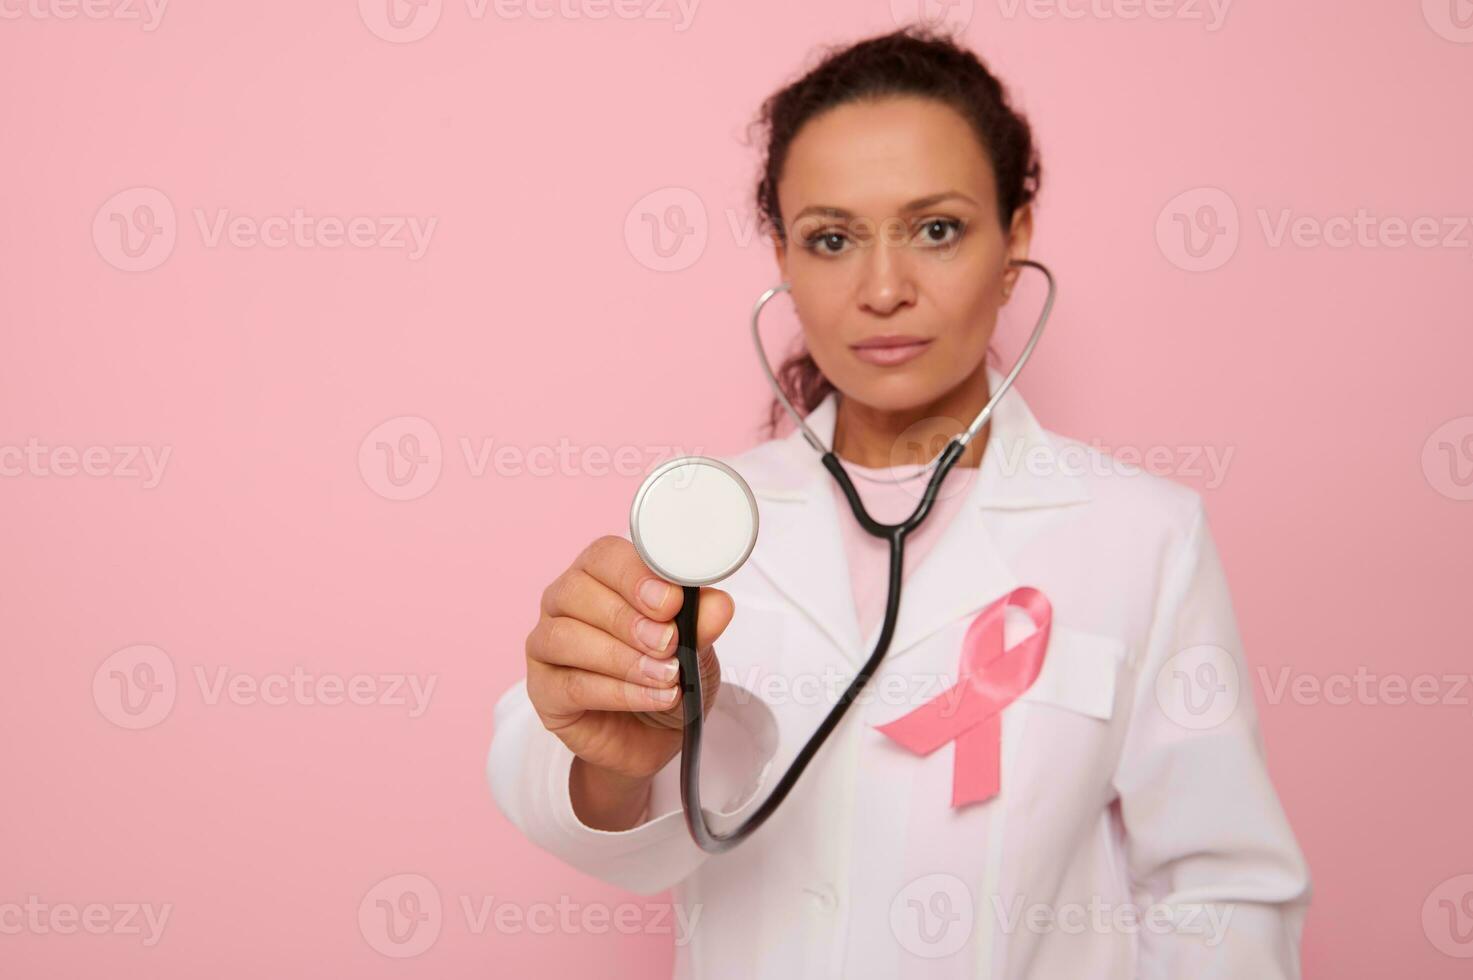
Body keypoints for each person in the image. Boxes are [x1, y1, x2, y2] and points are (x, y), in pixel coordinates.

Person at [487, 24, 1311, 979]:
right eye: (831, 239)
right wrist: (606, 749)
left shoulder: (1143, 534)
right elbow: (561, 789)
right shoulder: (697, 527)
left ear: (1016, 241)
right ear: (784, 261)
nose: (883, 289)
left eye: (936, 229)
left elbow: (1222, 890)